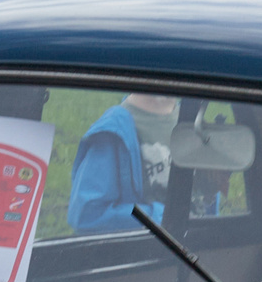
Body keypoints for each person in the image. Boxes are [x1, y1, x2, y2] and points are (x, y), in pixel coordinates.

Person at [67, 92, 179, 231]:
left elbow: (202, 202)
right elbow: (88, 215)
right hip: (147, 250)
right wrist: (160, 218)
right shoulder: (114, 130)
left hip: (197, 250)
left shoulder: (192, 122)